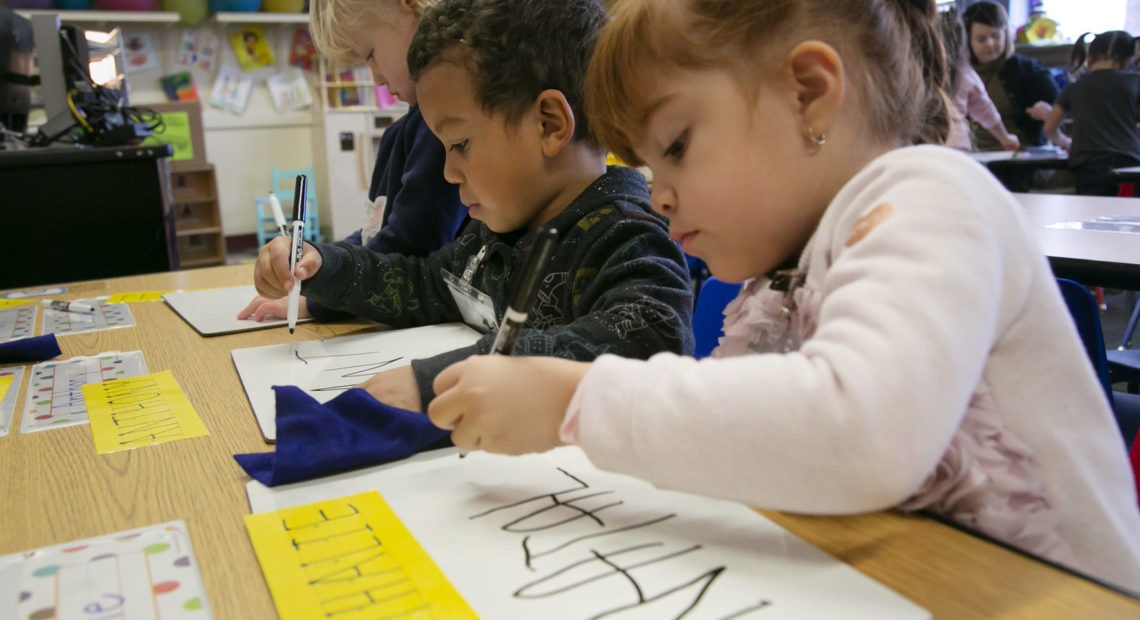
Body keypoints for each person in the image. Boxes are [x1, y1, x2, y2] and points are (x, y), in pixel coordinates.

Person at [427, 0, 1140, 593]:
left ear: (808, 93)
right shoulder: (783, 267)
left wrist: (572, 403)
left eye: (675, 145)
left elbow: (861, 431)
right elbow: (762, 447)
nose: (658, 191)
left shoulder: (930, 198)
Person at [252, 0, 694, 413]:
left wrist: (440, 381)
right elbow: (422, 285)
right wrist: (324, 267)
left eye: (460, 143)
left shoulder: (627, 238)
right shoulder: (494, 236)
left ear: (549, 124)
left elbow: (650, 341)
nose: (448, 173)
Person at [238, 0, 467, 323]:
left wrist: (320, 299)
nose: (374, 79)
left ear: (411, 7)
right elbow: (373, 237)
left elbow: (408, 247)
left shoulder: (439, 129)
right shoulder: (400, 133)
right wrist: (316, 259)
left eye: (370, 54)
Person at [1044, 30, 1140, 196]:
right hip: (1128, 163)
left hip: (1088, 165)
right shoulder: (1135, 82)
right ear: (1127, 60)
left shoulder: (1074, 88)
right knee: (1127, 215)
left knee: (1092, 214)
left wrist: (1066, 141)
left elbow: (1050, 128)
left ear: (1089, 57)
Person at [962, 1, 1059, 151]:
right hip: (974, 155)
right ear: (967, 40)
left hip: (1020, 154)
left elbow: (1060, 103)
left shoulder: (1027, 69)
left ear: (1006, 35)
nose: (990, 43)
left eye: (995, 36)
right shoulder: (960, 74)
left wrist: (1048, 110)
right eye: (981, 39)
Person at [939, 8, 1019, 152]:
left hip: (926, 147)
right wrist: (1005, 138)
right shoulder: (965, 73)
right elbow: (985, 109)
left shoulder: (916, 75)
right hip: (958, 144)